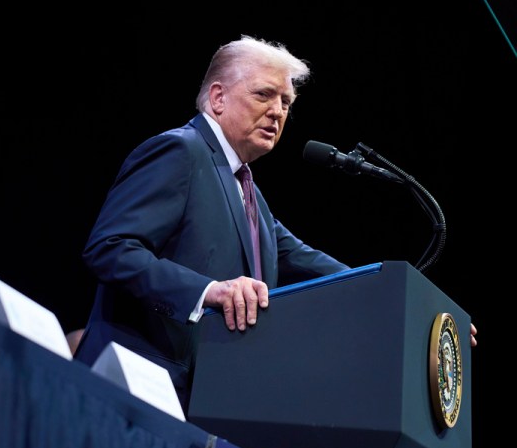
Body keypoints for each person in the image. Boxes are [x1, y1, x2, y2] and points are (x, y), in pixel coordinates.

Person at [73, 35, 477, 414]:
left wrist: (409, 307)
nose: (278, 111)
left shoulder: (246, 190)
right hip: (130, 390)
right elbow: (110, 248)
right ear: (217, 97)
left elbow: (307, 260)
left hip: (202, 404)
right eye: (264, 94)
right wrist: (209, 291)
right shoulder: (181, 151)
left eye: (286, 102)